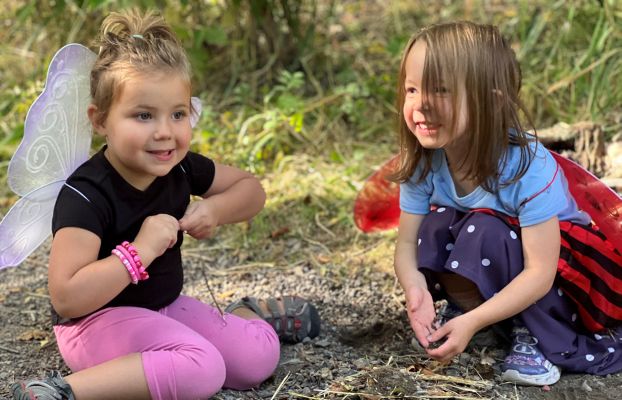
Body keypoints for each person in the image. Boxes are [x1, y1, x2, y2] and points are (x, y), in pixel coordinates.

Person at [11, 9, 320, 400]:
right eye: (143, 115)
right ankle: (60, 391)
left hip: (162, 308)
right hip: (94, 325)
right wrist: (138, 252)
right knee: (201, 368)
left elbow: (251, 189)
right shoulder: (86, 194)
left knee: (256, 359)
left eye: (178, 114)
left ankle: (249, 314)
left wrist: (214, 210)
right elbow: (67, 297)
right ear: (100, 120)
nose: (164, 132)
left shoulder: (179, 168)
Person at [392, 21, 622, 386]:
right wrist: (414, 287)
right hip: (506, 257)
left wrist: (472, 323)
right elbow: (406, 244)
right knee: (436, 226)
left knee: (482, 226)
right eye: (412, 89)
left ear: (492, 101)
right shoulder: (424, 161)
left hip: (565, 276)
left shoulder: (525, 165)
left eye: (440, 90)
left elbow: (540, 273)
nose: (420, 105)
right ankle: (480, 310)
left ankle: (535, 333)